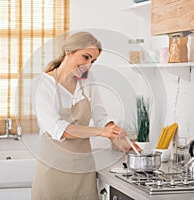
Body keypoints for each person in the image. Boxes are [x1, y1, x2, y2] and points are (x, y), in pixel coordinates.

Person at [31, 31, 135, 200]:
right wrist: (100, 132)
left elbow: (100, 113)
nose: (88, 66)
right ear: (69, 52)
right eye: (85, 57)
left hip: (83, 170)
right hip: (53, 173)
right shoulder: (43, 83)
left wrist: (114, 133)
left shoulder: (88, 79)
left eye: (92, 61)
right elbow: (58, 130)